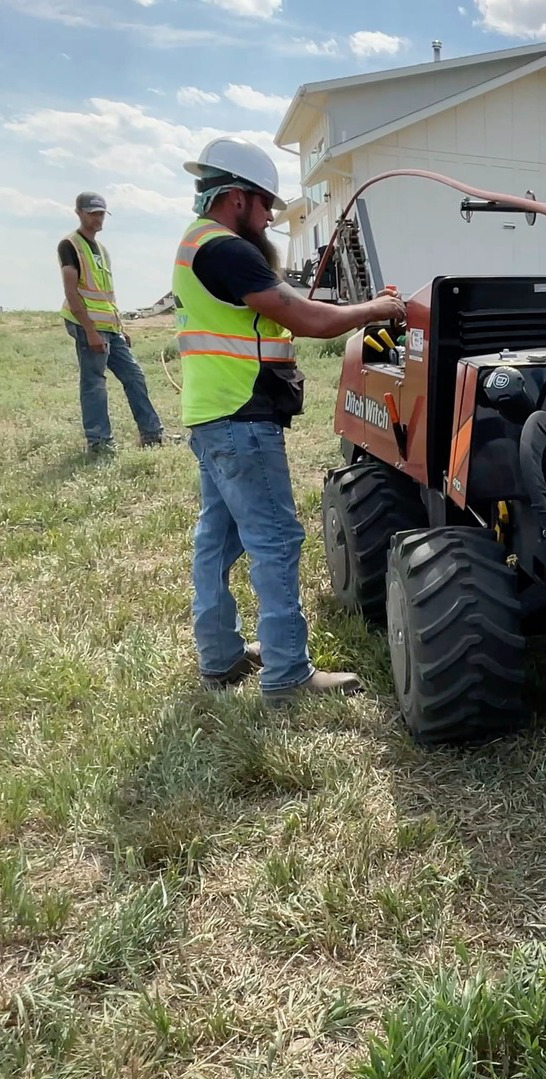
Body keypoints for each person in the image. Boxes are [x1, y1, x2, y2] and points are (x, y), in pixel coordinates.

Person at [174, 136, 405, 700]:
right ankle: (287, 675)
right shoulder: (227, 249)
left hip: (210, 414)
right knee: (275, 540)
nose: (271, 218)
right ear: (236, 198)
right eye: (266, 206)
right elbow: (306, 318)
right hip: (240, 416)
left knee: (217, 538)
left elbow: (277, 300)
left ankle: (221, 657)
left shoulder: (196, 243)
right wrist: (374, 309)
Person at [58, 191, 167, 456]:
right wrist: (90, 330)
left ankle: (152, 434)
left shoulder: (102, 251)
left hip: (110, 326)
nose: (98, 218)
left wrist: (120, 327)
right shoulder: (70, 245)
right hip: (88, 326)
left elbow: (108, 293)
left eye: (101, 213)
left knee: (134, 376)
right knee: (94, 383)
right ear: (79, 213)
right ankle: (99, 442)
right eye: (92, 213)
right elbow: (72, 292)